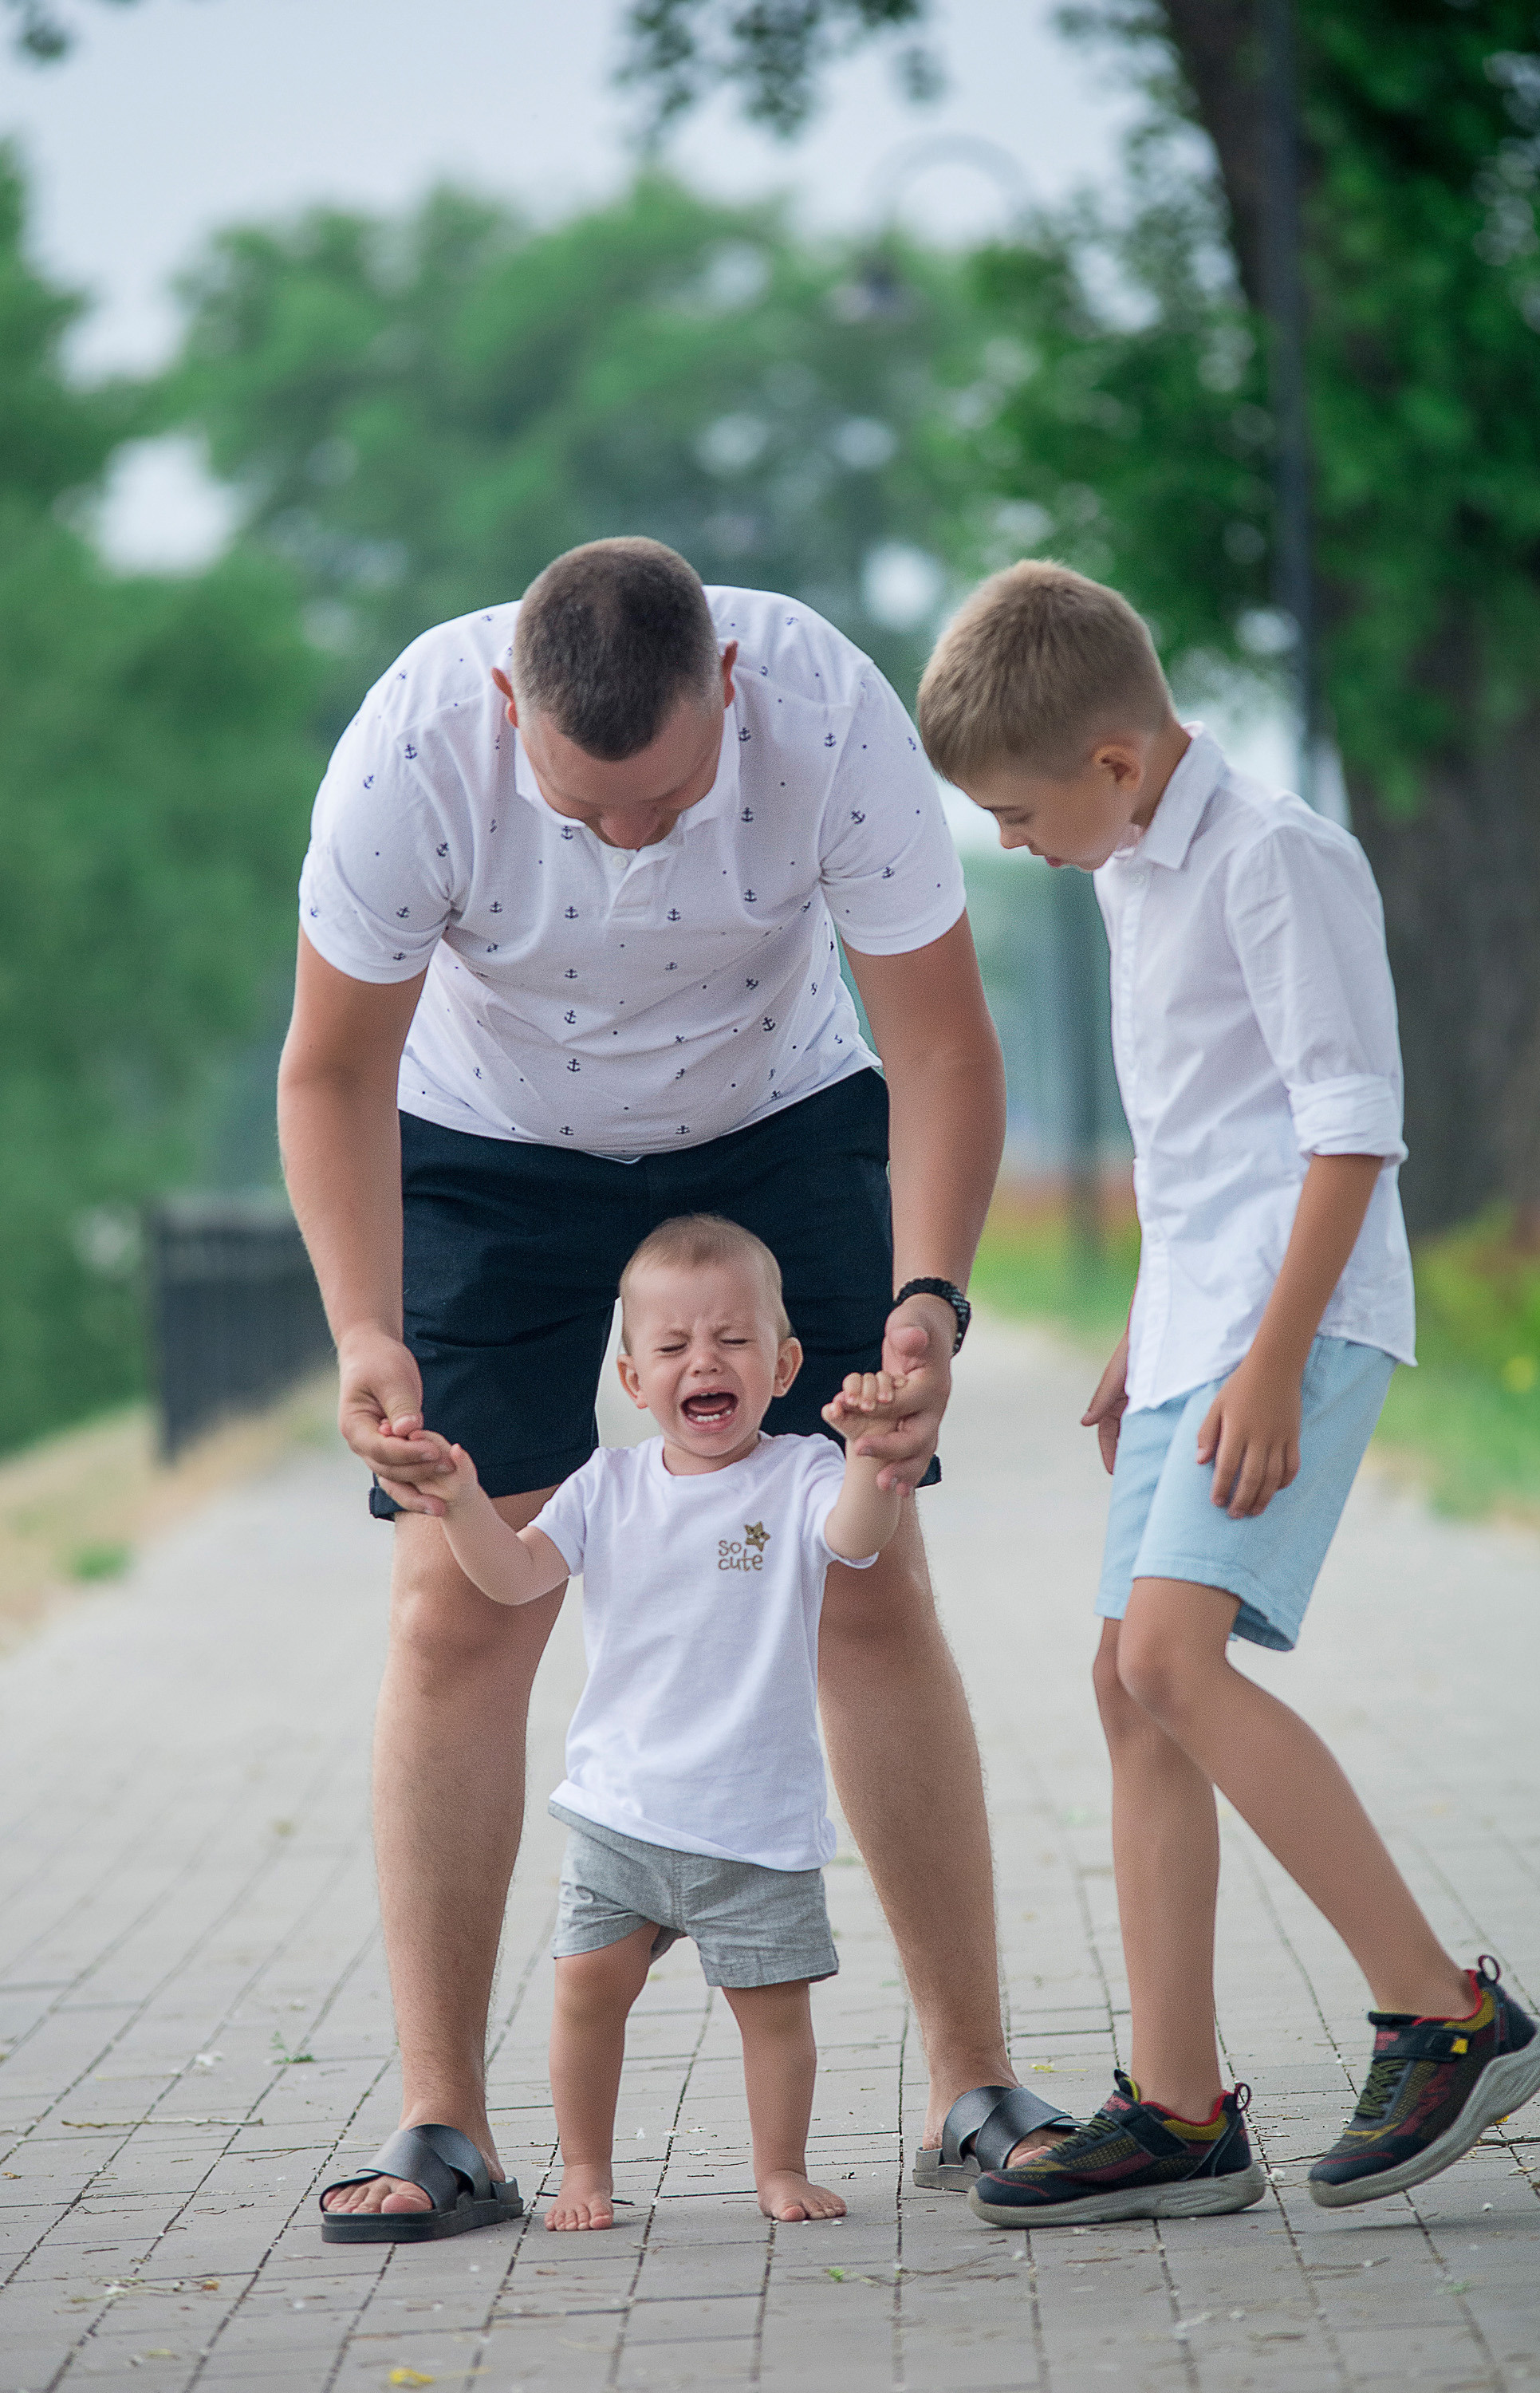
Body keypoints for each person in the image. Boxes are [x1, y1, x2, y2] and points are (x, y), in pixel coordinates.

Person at [286, 538, 1073, 2235]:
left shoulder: (825, 715)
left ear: (727, 689)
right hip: (490, 1144)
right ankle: (446, 2129)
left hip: (776, 1120)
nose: (630, 843)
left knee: (860, 1579)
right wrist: (363, 1329)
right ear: (507, 706)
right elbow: (332, 1064)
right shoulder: (411, 751)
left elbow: (940, 1041)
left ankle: (973, 2086)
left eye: (664, 802)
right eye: (589, 813)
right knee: (454, 1605)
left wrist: (931, 1299)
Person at [915, 562, 1540, 2229]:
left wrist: (1266, 1357)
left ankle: (1446, 2014)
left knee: (1170, 1663)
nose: (1008, 839)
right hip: (1202, 1321)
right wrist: (1149, 1330)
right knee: (1125, 1687)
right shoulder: (1131, 867)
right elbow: (1202, 1144)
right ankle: (1180, 2109)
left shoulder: (1279, 860)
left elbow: (1348, 1126)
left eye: (1015, 805)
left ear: (1116, 762)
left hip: (1301, 1321)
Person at [353, 1215, 907, 2234]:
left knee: (774, 2014)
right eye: (673, 1346)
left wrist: (873, 1458)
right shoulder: (602, 1488)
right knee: (583, 1996)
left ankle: (779, 2166)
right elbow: (514, 1579)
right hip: (621, 1811)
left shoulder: (800, 1475)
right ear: (631, 1377)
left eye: (734, 1341)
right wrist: (461, 1502)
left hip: (755, 1819)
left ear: (783, 1363)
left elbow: (856, 1540)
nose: (705, 1361)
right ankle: (584, 2172)